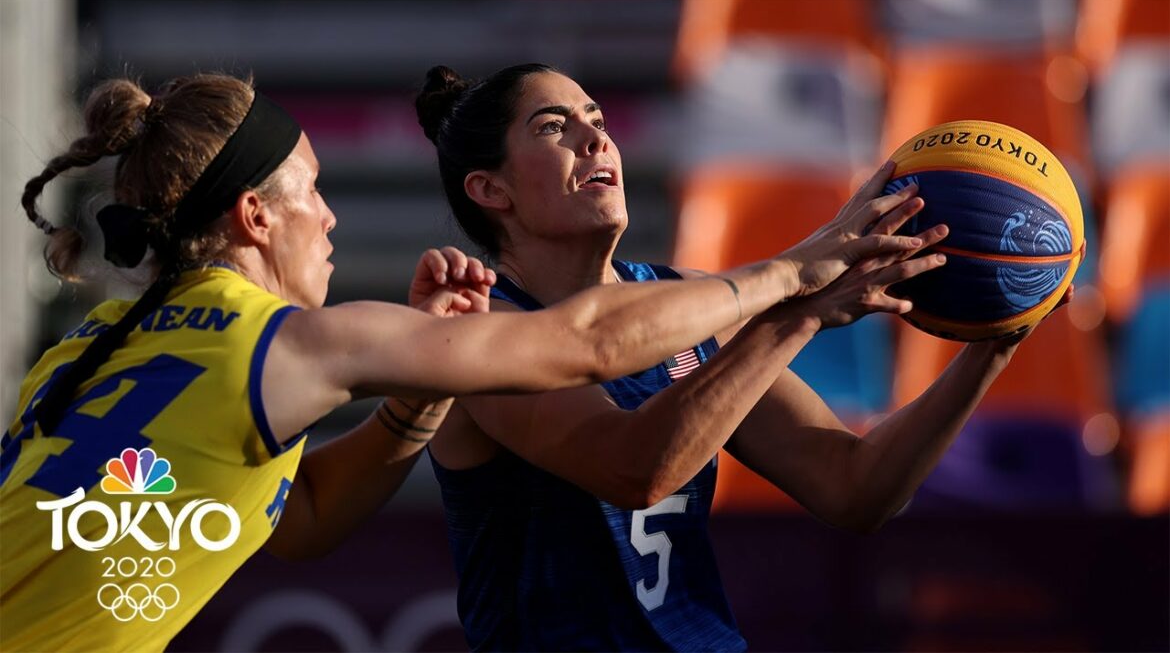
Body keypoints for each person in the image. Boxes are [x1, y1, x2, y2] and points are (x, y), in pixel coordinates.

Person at [0, 73, 925, 652]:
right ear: (254, 218)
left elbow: (302, 515)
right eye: (312, 192)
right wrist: (789, 274)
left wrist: (416, 403)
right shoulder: (290, 342)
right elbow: (589, 346)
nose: (329, 219)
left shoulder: (87, 353)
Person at [415, 63, 1067, 651]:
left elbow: (855, 487)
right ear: (490, 190)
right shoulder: (478, 331)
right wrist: (799, 312)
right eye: (554, 127)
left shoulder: (684, 300)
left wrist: (998, 338)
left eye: (598, 120)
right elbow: (634, 468)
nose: (595, 139)